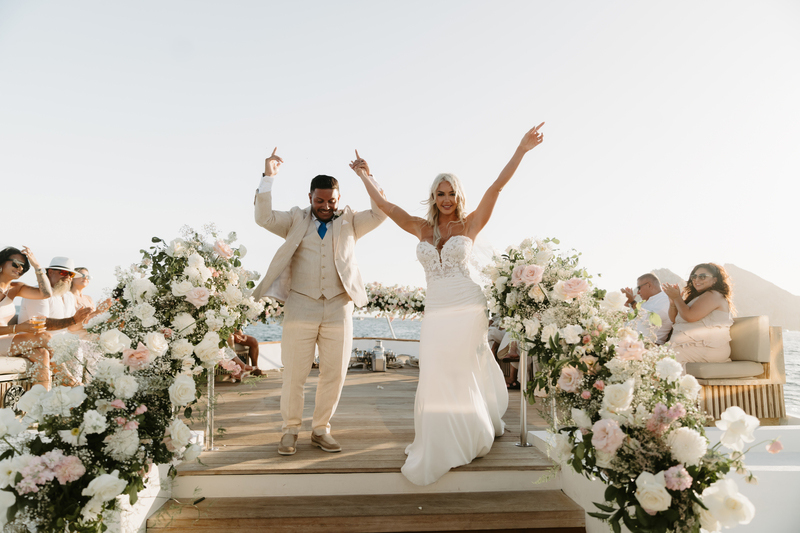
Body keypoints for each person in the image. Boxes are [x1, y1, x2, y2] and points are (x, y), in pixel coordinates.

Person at [350, 122, 545, 485]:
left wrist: (521, 148)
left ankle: (468, 432)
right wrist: (366, 175)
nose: (445, 199)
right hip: (437, 310)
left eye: (451, 193)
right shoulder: (421, 229)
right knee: (436, 371)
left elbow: (496, 187)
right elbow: (386, 204)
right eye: (440, 193)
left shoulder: (470, 225)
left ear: (458, 196)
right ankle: (440, 436)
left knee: (461, 370)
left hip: (469, 306)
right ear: (433, 197)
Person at [253, 148, 387, 456]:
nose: (326, 206)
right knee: (295, 373)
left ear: (338, 198)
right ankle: (290, 430)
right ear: (310, 196)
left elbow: (382, 211)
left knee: (334, 373)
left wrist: (367, 176)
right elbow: (263, 217)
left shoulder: (352, 221)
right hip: (301, 305)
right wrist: (268, 178)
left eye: (331, 201)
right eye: (319, 200)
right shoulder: (295, 220)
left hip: (339, 307)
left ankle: (321, 428)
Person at [0, 247, 89, 389]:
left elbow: (46, 293)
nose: (20, 268)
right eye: (16, 263)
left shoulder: (16, 288)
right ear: (2, 262)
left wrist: (36, 266)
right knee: (46, 337)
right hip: (6, 339)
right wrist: (19, 328)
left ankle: (41, 402)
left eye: (24, 266)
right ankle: (71, 382)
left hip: (6, 341)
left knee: (42, 354)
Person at [662, 263, 734, 364]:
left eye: (702, 277)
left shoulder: (714, 295)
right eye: (694, 277)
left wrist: (677, 298)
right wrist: (673, 302)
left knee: (661, 358)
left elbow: (690, 316)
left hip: (710, 348)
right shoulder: (697, 298)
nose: (696, 280)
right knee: (651, 356)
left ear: (715, 279)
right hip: (693, 346)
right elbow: (674, 319)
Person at [621, 273, 673, 344]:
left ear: (649, 285)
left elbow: (651, 320)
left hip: (648, 346)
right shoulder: (643, 303)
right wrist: (627, 304)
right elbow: (629, 319)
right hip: (628, 343)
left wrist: (632, 302)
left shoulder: (666, 300)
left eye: (639, 288)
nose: (638, 292)